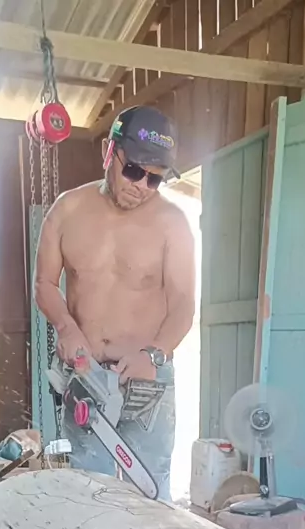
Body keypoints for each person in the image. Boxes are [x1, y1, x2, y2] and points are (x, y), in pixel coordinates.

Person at [34, 105, 196, 501]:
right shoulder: (67, 210)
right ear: (110, 151)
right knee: (90, 496)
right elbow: (44, 283)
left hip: (148, 381)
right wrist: (66, 327)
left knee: (150, 498)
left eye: (155, 178)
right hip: (87, 375)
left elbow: (184, 305)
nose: (142, 185)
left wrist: (154, 354)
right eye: (134, 171)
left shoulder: (173, 224)